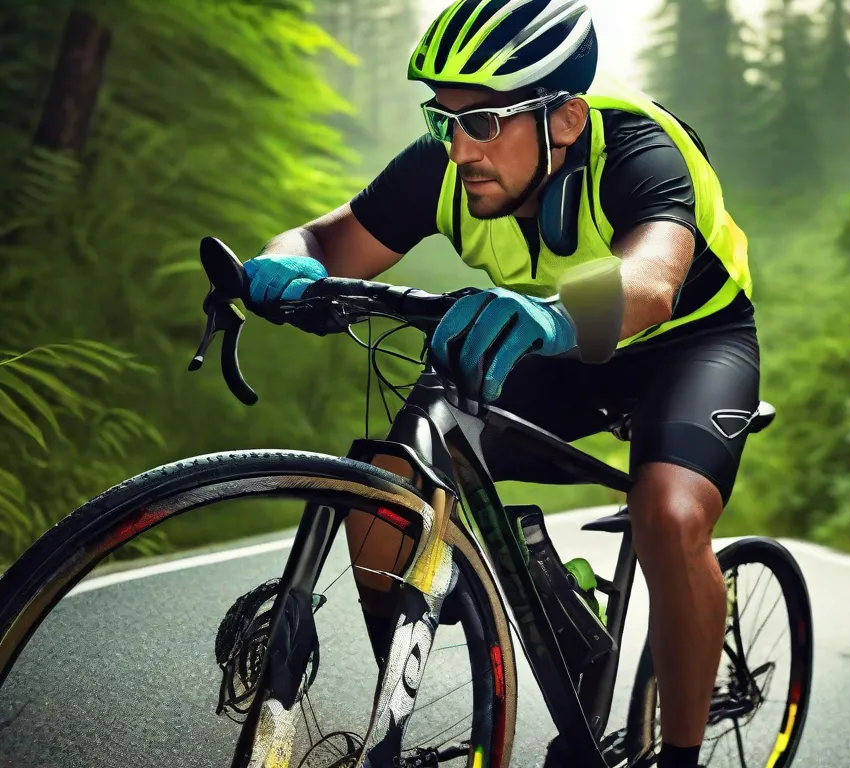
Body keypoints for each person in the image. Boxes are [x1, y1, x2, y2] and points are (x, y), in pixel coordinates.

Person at [240, 2, 759, 766]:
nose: (457, 148)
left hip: (689, 345)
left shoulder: (639, 149)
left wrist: (552, 317)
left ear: (567, 120)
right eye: (444, 118)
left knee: (670, 514)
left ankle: (677, 756)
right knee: (391, 477)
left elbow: (652, 281)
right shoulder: (444, 163)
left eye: (483, 121)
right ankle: (433, 675)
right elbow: (329, 238)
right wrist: (287, 261)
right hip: (563, 344)